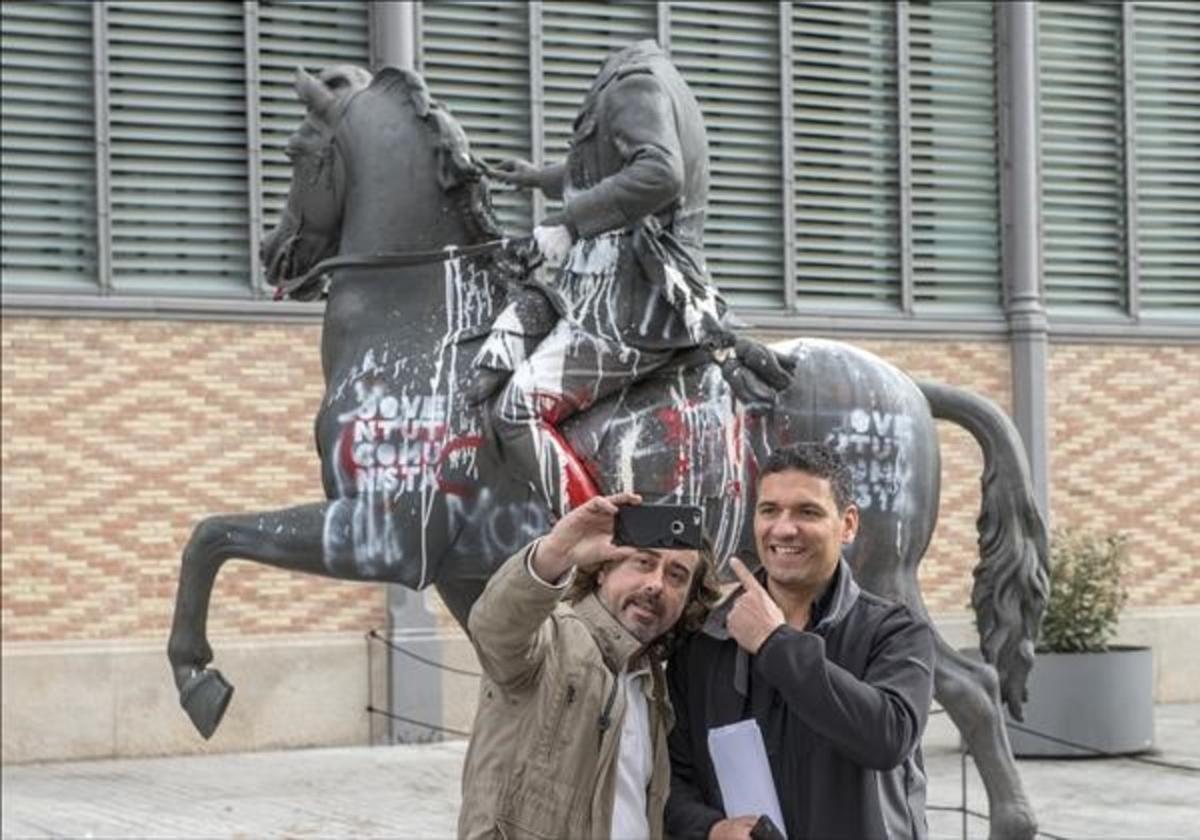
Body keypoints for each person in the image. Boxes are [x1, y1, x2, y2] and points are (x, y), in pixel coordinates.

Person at [477, 39, 790, 521]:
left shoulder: (633, 86)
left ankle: (594, 540)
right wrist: (539, 178)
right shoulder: (650, 77)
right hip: (608, 293)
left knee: (517, 411)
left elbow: (659, 174)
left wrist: (566, 225)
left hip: (629, 307)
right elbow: (608, 168)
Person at [665, 443, 936, 840]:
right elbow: (671, 777)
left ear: (848, 525)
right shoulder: (707, 638)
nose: (784, 528)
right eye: (769, 510)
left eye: (807, 512)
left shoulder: (896, 631)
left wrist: (775, 644)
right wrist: (711, 829)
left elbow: (888, 738)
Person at [458, 492, 721, 839]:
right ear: (602, 571)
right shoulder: (553, 636)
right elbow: (495, 629)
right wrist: (555, 553)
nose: (656, 584)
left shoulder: (653, 684)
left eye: (677, 575)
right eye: (643, 562)